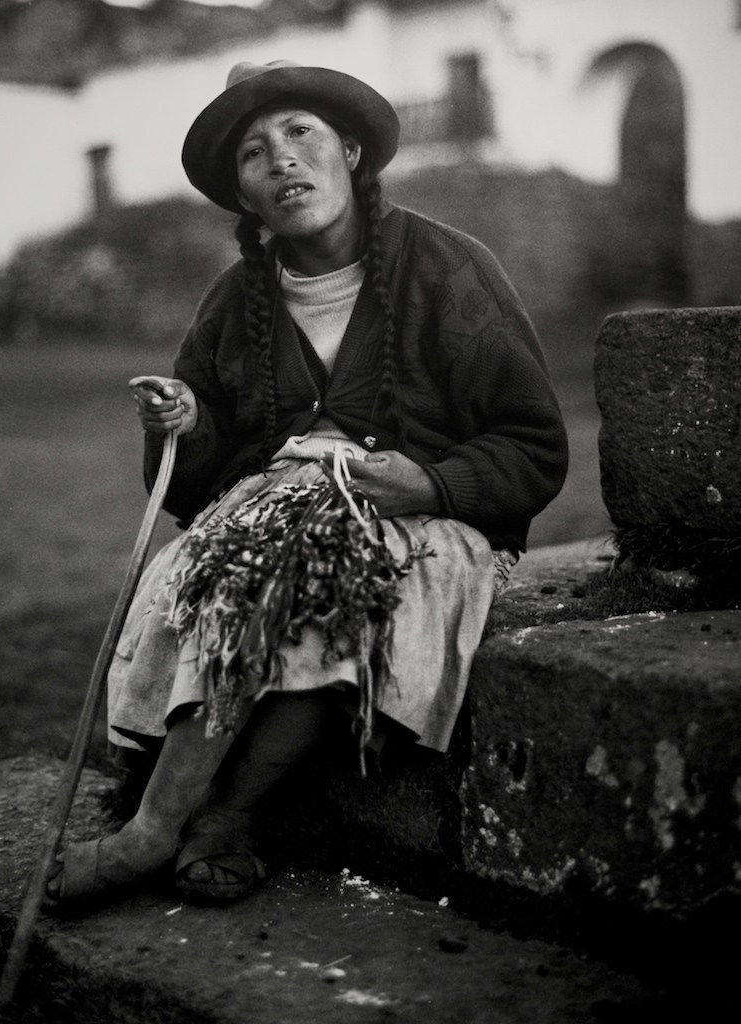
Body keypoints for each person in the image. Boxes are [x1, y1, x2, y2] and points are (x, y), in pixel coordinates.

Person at [45, 60, 568, 908]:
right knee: (258, 553)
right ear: (244, 194)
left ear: (351, 152)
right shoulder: (232, 302)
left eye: (299, 135)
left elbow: (533, 444)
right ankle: (204, 824)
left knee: (324, 570)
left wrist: (431, 481)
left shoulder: (448, 269)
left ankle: (171, 827)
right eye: (254, 153)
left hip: (431, 526)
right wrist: (187, 426)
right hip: (268, 527)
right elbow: (200, 483)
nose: (280, 159)